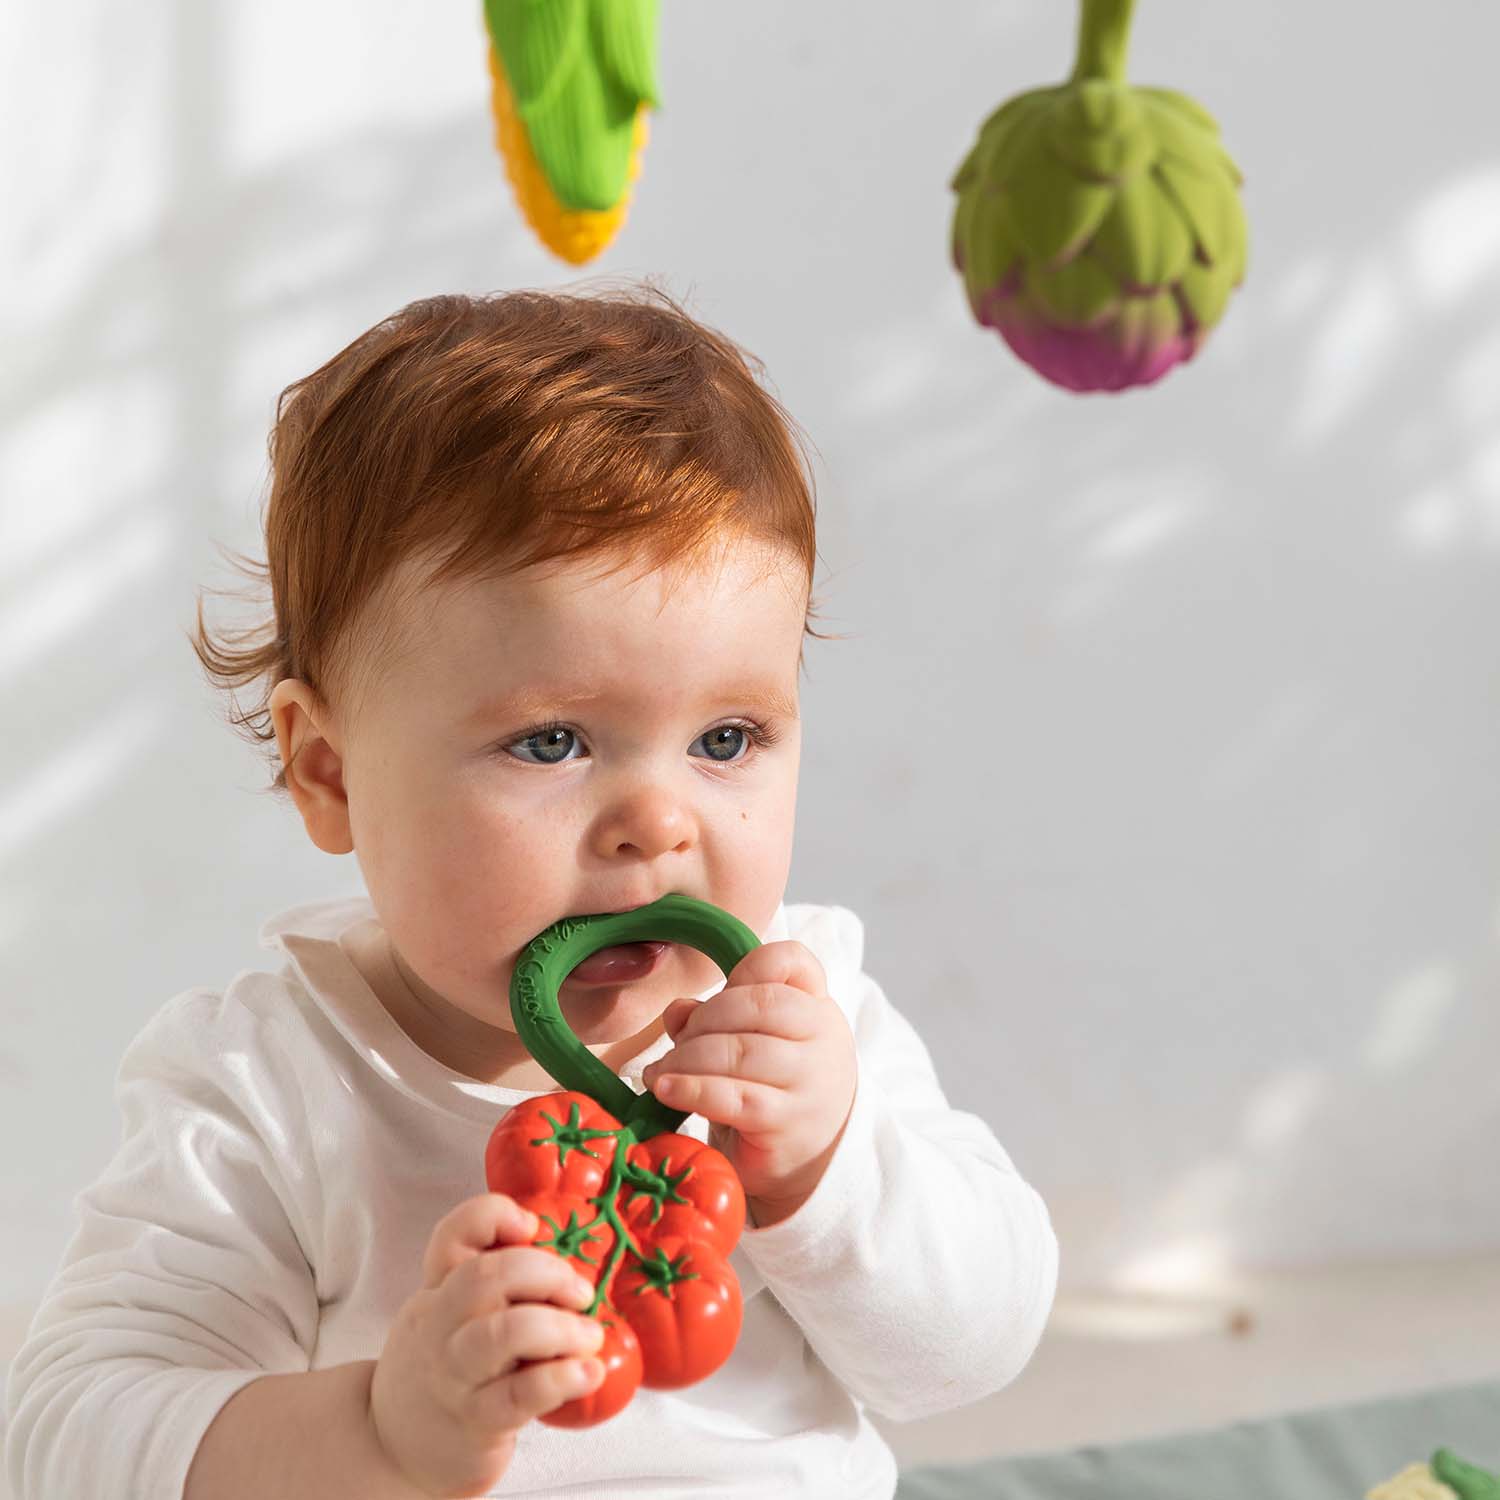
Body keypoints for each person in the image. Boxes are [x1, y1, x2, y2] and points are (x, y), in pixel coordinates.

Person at [3, 283, 1058, 1499]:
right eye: (553, 743)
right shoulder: (262, 1086)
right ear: (329, 773)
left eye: (727, 740)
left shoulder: (802, 1021)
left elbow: (974, 1353)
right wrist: (384, 1429)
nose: (657, 825)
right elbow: (68, 1440)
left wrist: (829, 1171)